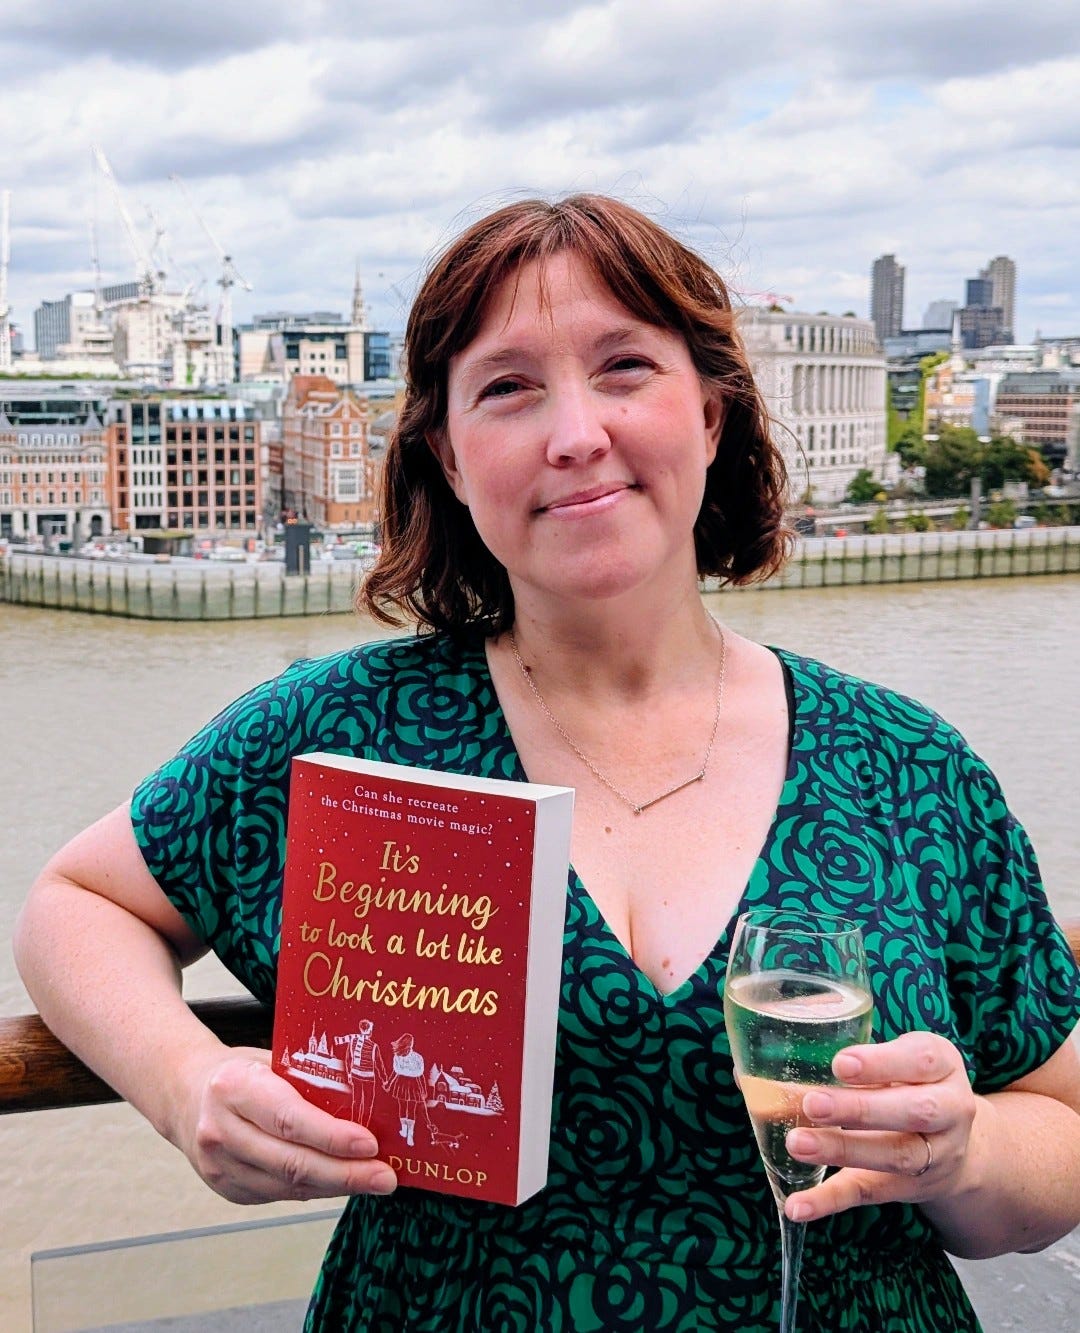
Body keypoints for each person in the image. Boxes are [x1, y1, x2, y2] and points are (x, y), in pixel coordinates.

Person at [15, 194, 1080, 1332]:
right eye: (508, 387)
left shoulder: (906, 765)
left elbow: (1058, 1128)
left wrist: (959, 1156)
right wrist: (187, 1088)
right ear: (449, 456)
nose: (576, 433)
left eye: (625, 366)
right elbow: (73, 903)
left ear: (712, 415)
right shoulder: (336, 738)